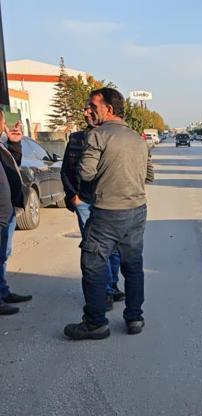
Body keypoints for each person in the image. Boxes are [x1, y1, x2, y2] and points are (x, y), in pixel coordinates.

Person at [64, 88, 152, 340]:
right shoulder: (138, 138)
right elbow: (149, 175)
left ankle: (95, 323)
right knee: (133, 265)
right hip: (137, 211)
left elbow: (86, 174)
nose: (88, 110)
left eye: (93, 105)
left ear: (109, 109)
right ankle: (134, 317)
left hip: (107, 212)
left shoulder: (97, 135)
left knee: (93, 263)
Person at [62, 105, 124, 311]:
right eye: (86, 110)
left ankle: (111, 285)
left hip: (110, 202)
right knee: (96, 249)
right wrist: (74, 197)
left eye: (92, 109)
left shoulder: (114, 137)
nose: (87, 113)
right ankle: (104, 291)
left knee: (114, 248)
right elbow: (66, 171)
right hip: (85, 203)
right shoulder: (76, 139)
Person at [0, 112, 31, 315]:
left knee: (3, 255)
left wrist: (14, 144)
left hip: (7, 213)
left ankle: (3, 292)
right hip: (1, 216)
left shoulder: (2, 146)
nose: (4, 125)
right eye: (2, 121)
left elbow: (14, 166)